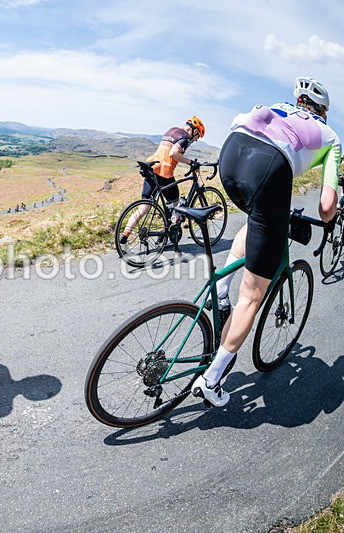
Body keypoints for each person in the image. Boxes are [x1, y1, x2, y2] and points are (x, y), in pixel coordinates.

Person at [192, 77, 341, 407]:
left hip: (232, 153)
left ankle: (220, 290)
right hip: (269, 168)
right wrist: (329, 221)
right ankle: (212, 380)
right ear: (323, 112)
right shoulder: (330, 137)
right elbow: (327, 206)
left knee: (256, 216)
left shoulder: (275, 107)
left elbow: (236, 123)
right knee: (253, 294)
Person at [119, 116, 205, 244]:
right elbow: (173, 154)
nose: (195, 140)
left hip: (151, 169)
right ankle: (163, 236)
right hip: (164, 174)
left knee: (143, 208)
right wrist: (191, 163)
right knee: (176, 205)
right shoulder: (185, 138)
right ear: (195, 131)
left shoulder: (171, 131)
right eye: (197, 137)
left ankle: (125, 234)